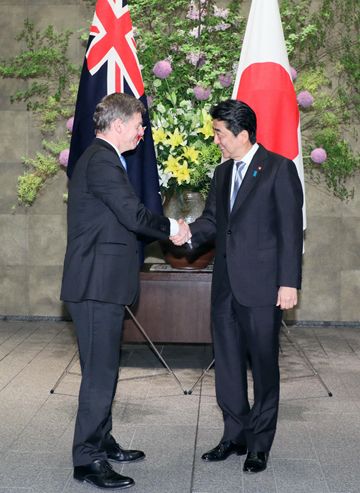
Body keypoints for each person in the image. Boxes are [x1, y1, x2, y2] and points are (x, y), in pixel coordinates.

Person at [60, 92, 185, 490]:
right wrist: (172, 229)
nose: (141, 131)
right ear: (117, 125)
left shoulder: (103, 159)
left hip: (102, 283)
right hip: (96, 284)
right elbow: (133, 214)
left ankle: (102, 439)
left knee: (105, 370)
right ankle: (88, 459)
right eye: (137, 124)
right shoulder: (101, 161)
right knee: (99, 375)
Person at [172, 99, 303, 473]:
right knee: (227, 364)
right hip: (226, 285)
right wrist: (184, 233)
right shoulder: (222, 173)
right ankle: (235, 434)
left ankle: (260, 444)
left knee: (263, 367)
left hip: (264, 288)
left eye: (220, 134)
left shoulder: (279, 169)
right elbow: (214, 222)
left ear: (242, 134)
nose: (216, 140)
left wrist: (288, 283)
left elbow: (290, 232)